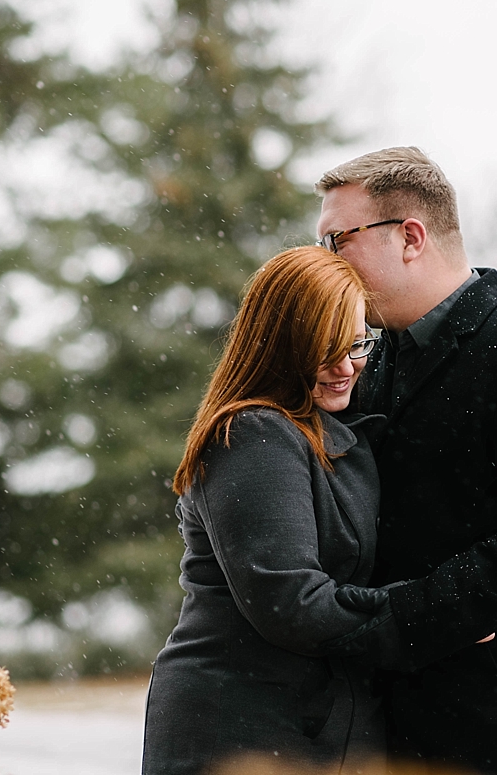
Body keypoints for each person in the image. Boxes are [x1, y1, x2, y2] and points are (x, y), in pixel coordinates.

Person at [315, 147, 497, 775]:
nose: (325, 260)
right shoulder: (372, 360)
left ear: (411, 237)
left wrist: (413, 617)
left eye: (338, 239)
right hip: (402, 713)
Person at [141, 246, 388, 775]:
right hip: (238, 725)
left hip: (297, 727)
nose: (345, 368)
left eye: (357, 344)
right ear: (280, 346)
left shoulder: (325, 428)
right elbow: (292, 604)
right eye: (324, 350)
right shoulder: (252, 433)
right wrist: (431, 611)